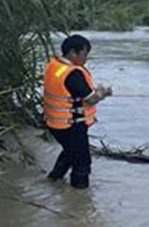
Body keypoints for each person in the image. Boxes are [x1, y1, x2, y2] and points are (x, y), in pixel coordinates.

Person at [43, 35, 113, 189]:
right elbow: (90, 100)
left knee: (70, 152)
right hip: (71, 125)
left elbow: (71, 92)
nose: (86, 58)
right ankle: (79, 198)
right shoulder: (73, 74)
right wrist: (103, 94)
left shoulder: (54, 66)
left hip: (55, 123)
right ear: (73, 53)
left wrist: (96, 92)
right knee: (82, 162)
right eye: (84, 54)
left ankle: (53, 180)